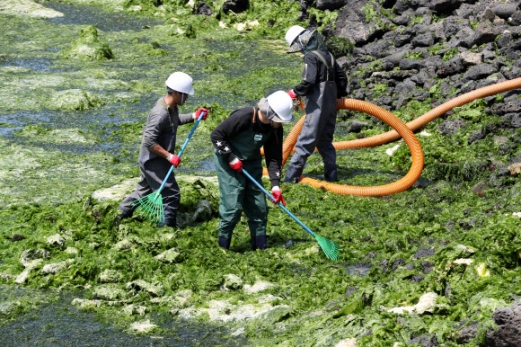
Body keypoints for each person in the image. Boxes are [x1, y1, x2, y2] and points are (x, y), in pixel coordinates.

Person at [117, 71, 209, 227]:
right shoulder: (159, 113)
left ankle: (119, 214)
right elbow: (148, 140)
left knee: (143, 192)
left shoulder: (171, 108)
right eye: (185, 95)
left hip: (153, 160)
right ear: (176, 93)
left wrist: (194, 115)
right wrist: (169, 156)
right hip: (153, 161)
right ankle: (168, 229)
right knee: (171, 194)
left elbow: (174, 121)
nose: (187, 98)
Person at [211, 91, 295, 250]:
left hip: (251, 162)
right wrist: (230, 157)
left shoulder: (275, 128)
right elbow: (216, 136)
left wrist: (275, 185)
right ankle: (223, 249)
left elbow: (274, 157)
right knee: (232, 208)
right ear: (270, 113)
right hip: (228, 161)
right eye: (279, 120)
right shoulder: (244, 117)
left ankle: (259, 248)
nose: (280, 123)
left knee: (259, 208)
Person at [283, 25, 348, 183]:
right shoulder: (328, 55)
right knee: (325, 143)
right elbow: (342, 79)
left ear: (302, 42)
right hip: (331, 105)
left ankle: (289, 180)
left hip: (318, 107)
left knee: (305, 142)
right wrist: (337, 97)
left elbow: (309, 81)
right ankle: (331, 178)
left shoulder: (311, 57)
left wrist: (294, 92)